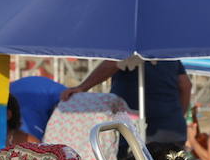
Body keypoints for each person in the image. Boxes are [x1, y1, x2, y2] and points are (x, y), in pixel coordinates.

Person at [61, 59, 191, 145]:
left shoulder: (131, 46)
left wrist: (83, 87)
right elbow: (186, 85)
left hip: (133, 128)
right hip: (172, 128)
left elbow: (111, 64)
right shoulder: (166, 53)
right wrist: (178, 114)